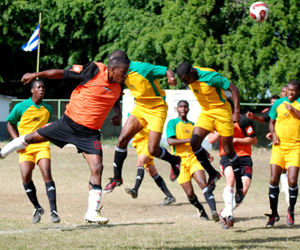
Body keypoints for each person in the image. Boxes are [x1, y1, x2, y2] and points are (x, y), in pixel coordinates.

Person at [0, 56, 130, 224]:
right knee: (33, 137)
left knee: (97, 167)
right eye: (123, 72)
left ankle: (92, 212)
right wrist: (35, 74)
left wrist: (118, 113)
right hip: (69, 123)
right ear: (112, 69)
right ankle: (3, 152)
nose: (125, 75)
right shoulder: (94, 70)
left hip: (89, 133)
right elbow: (61, 73)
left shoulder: (119, 84)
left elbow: (114, 97)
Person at [104, 50, 181, 193]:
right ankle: (116, 179)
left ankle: (174, 160)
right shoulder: (122, 74)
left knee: (153, 149)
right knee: (122, 140)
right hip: (140, 107)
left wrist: (171, 77)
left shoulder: (142, 69)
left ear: (122, 63)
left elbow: (167, 71)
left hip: (157, 109)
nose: (111, 68)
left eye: (113, 65)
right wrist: (118, 114)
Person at [176, 62, 242, 228]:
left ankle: (239, 180)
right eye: (182, 80)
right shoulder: (189, 79)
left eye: (186, 79)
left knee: (227, 149)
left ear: (192, 72)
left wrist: (236, 111)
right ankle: (213, 173)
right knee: (194, 142)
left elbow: (234, 89)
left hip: (222, 112)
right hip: (206, 113)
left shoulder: (210, 76)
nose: (186, 83)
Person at [6, 79, 60, 224]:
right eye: (38, 87)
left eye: (43, 87)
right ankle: (37, 207)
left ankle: (54, 211)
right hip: (24, 147)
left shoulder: (48, 108)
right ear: (32, 90)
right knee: (25, 177)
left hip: (42, 145)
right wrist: (17, 141)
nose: (41, 89)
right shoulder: (21, 106)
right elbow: (10, 123)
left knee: (47, 174)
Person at [166, 100, 219, 222]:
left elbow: (197, 143)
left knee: (203, 184)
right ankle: (201, 209)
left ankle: (214, 211)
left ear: (188, 109)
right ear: (177, 108)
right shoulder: (172, 123)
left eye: (185, 107)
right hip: (179, 162)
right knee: (190, 194)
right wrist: (188, 140)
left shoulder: (193, 125)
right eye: (181, 106)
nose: (183, 109)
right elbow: (170, 141)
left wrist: (205, 152)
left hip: (194, 159)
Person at [208, 100, 257, 223]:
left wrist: (236, 140)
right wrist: (220, 130)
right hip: (227, 155)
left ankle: (224, 212)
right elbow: (210, 140)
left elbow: (253, 140)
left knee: (243, 190)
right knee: (231, 179)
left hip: (244, 157)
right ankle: (229, 214)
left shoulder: (244, 121)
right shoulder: (217, 121)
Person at [265, 79, 300, 227]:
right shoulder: (278, 103)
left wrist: (293, 110)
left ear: (298, 91)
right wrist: (273, 134)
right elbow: (271, 122)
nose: (291, 93)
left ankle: (290, 211)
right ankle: (273, 214)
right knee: (274, 180)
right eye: (289, 90)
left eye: (294, 91)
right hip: (279, 147)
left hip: (295, 147)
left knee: (292, 181)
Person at [125, 127, 176, 206]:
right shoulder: (132, 114)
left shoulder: (146, 115)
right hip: (140, 146)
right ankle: (169, 196)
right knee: (152, 171)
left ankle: (135, 189)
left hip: (147, 144)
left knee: (140, 162)